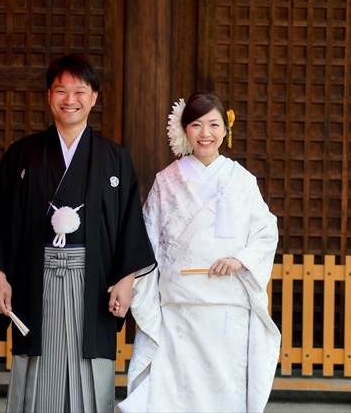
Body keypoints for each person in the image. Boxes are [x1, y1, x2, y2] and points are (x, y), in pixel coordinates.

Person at [0, 55, 156, 413]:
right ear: (48, 96)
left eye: (80, 91)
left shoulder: (115, 159)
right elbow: (0, 221)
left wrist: (126, 280)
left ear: (94, 97)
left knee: (91, 369)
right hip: (35, 278)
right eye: (61, 91)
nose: (70, 100)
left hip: (95, 282)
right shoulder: (21, 156)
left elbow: (130, 225)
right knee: (37, 369)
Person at [118, 92, 281, 413]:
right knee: (173, 392)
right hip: (178, 308)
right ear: (184, 129)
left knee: (224, 390)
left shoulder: (242, 181)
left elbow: (265, 232)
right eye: (196, 124)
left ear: (226, 130)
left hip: (226, 307)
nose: (205, 133)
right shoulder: (166, 181)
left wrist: (239, 260)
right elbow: (146, 238)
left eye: (214, 125)